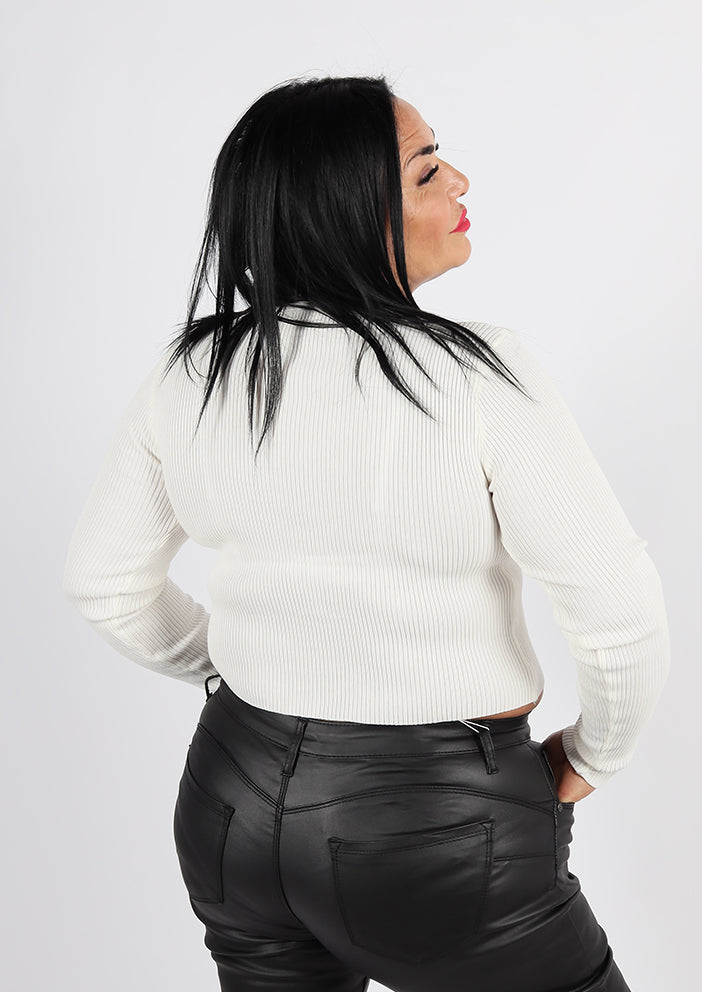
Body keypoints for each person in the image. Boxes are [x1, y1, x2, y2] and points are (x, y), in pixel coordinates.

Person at [62, 75, 670, 992]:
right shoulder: (476, 376)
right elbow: (618, 610)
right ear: (347, 213)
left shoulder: (194, 372)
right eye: (426, 171)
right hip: (436, 830)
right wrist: (594, 756)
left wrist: (239, 668)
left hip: (232, 806)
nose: (460, 180)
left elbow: (104, 582)